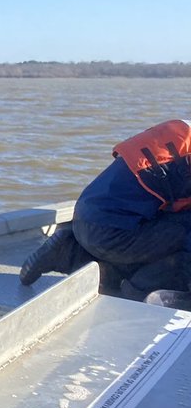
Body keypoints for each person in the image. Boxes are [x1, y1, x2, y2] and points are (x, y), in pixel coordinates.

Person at [19, 119, 191, 304]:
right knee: (184, 235)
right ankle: (145, 289)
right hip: (112, 234)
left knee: (171, 228)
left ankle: (69, 253)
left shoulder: (184, 132)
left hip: (85, 221)